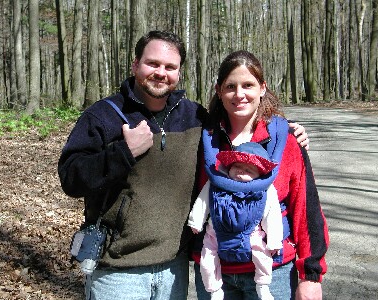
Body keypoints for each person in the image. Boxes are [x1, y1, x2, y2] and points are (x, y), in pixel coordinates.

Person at [58, 30, 310, 300]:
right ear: (135, 65)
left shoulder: (195, 118)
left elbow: (238, 128)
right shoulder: (104, 115)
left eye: (170, 67)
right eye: (152, 64)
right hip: (118, 270)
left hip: (173, 268)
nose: (161, 72)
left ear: (178, 73)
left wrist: (286, 131)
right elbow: (71, 178)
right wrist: (123, 152)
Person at [191, 50, 329, 300]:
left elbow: (306, 210)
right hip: (215, 272)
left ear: (262, 88)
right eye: (230, 86)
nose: (239, 94)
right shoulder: (203, 141)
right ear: (218, 90)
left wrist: (311, 275)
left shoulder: (285, 141)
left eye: (248, 85)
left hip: (272, 272)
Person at [188, 142, 284, 300]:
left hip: (251, 233)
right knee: (207, 260)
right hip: (215, 232)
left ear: (259, 175)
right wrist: (196, 221)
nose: (241, 171)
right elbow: (203, 201)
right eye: (238, 166)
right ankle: (214, 289)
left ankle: (263, 284)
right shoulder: (216, 182)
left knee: (262, 255)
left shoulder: (265, 190)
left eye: (248, 170)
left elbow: (272, 214)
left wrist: (274, 241)